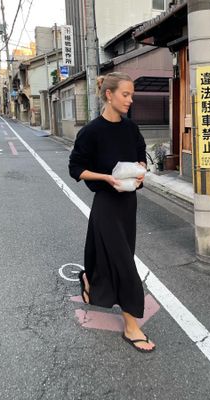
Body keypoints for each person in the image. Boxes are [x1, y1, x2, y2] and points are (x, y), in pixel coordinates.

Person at [69, 72, 156, 353]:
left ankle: (87, 278)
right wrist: (106, 178)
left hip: (128, 204)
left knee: (115, 255)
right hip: (106, 204)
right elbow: (76, 168)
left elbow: (141, 155)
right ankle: (131, 325)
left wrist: (140, 172)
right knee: (124, 263)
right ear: (109, 94)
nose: (130, 100)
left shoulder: (131, 128)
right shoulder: (91, 131)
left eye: (132, 95)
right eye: (125, 95)